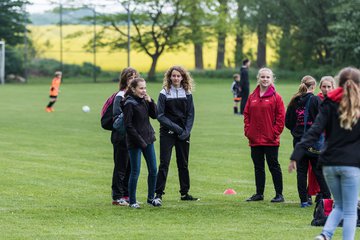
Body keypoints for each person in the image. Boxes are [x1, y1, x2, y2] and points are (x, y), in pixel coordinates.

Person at [289, 67, 360, 240]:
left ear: (339, 83)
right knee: (350, 211)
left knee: (340, 206)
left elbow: (314, 130)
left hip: (329, 163)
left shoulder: (328, 103)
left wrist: (296, 153)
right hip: (351, 164)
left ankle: (324, 235)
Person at [154, 66, 198, 203]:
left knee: (183, 163)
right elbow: (160, 116)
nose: (176, 78)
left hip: (183, 134)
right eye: (173, 76)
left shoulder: (187, 93)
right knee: (164, 163)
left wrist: (186, 131)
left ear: (183, 77)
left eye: (178, 76)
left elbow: (191, 114)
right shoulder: (164, 92)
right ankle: (158, 194)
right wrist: (178, 129)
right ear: (169, 77)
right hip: (167, 133)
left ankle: (185, 193)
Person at [285, 76, 331, 207]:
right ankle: (327, 199)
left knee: (301, 171)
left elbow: (288, 122)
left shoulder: (294, 100)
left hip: (298, 141)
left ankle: (304, 201)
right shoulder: (316, 100)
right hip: (313, 141)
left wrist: (297, 130)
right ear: (314, 86)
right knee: (319, 171)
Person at [244, 67, 285, 203]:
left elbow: (281, 117)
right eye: (262, 77)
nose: (265, 79)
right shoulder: (252, 97)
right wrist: (248, 131)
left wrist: (274, 133)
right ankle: (259, 193)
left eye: (268, 77)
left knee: (274, 166)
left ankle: (279, 194)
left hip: (270, 139)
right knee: (258, 167)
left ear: (272, 79)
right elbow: (247, 115)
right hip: (255, 139)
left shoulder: (276, 97)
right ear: (258, 78)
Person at [123, 78, 160, 209]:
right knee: (135, 172)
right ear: (133, 89)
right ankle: (132, 201)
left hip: (148, 139)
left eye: (145, 88)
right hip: (135, 142)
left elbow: (155, 115)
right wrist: (140, 142)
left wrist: (151, 102)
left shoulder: (145, 100)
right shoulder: (129, 104)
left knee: (154, 170)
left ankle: (151, 198)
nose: (144, 91)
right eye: (141, 88)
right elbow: (128, 126)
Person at [111, 67, 139, 206]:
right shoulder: (120, 96)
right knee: (120, 167)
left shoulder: (135, 96)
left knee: (130, 167)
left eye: (134, 77)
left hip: (132, 136)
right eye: (130, 77)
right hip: (121, 137)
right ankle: (117, 196)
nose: (132, 80)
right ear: (124, 79)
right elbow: (116, 119)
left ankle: (127, 195)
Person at [307, 76, 336, 201]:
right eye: (324, 86)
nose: (326, 89)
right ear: (320, 87)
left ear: (333, 87)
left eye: (329, 86)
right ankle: (319, 193)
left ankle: (323, 193)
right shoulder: (315, 100)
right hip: (319, 138)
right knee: (316, 169)